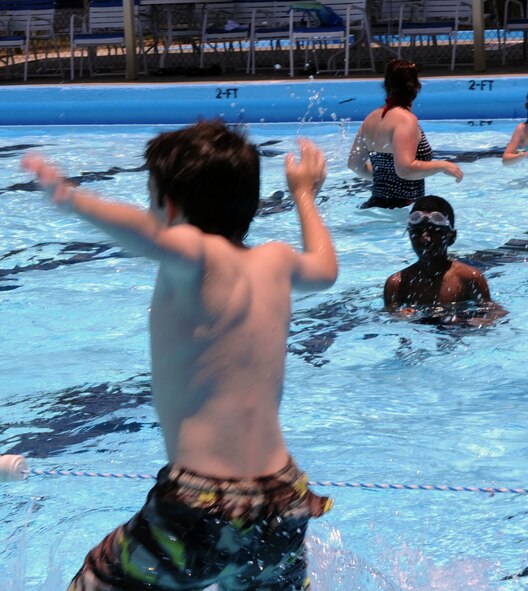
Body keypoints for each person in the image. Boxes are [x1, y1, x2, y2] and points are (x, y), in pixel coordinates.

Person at [22, 121, 338, 591]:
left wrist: (70, 198)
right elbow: (326, 268)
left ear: (169, 207)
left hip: (201, 503)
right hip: (282, 496)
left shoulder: (194, 250)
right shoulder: (276, 259)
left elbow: (150, 236)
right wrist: (304, 195)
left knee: (95, 581)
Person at [348, 59, 463, 209]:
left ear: (386, 86)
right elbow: (405, 169)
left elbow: (354, 165)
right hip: (403, 208)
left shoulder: (371, 118)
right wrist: (442, 166)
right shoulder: (405, 120)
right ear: (416, 87)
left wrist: (383, 178)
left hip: (373, 206)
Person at [384, 195, 501, 321]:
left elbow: (494, 312)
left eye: (434, 231)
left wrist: (483, 321)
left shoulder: (469, 278)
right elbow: (389, 318)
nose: (425, 239)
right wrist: (399, 316)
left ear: (451, 237)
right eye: (417, 231)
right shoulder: (397, 283)